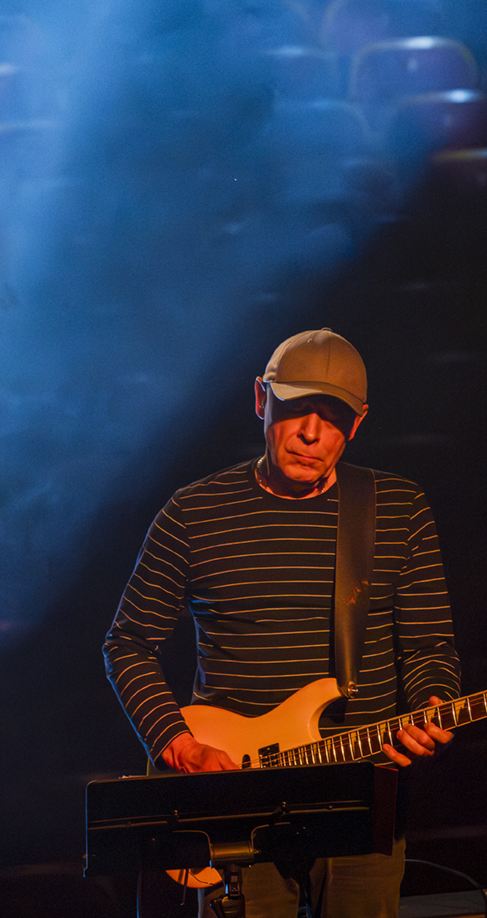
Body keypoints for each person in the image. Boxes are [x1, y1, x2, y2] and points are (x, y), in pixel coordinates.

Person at [104, 327, 460, 918]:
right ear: (260, 399)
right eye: (295, 409)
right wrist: (179, 745)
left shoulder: (399, 509)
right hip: (237, 800)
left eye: (333, 417)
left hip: (362, 793)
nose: (311, 434)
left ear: (357, 423)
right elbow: (128, 643)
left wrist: (431, 703)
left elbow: (429, 647)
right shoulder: (193, 513)